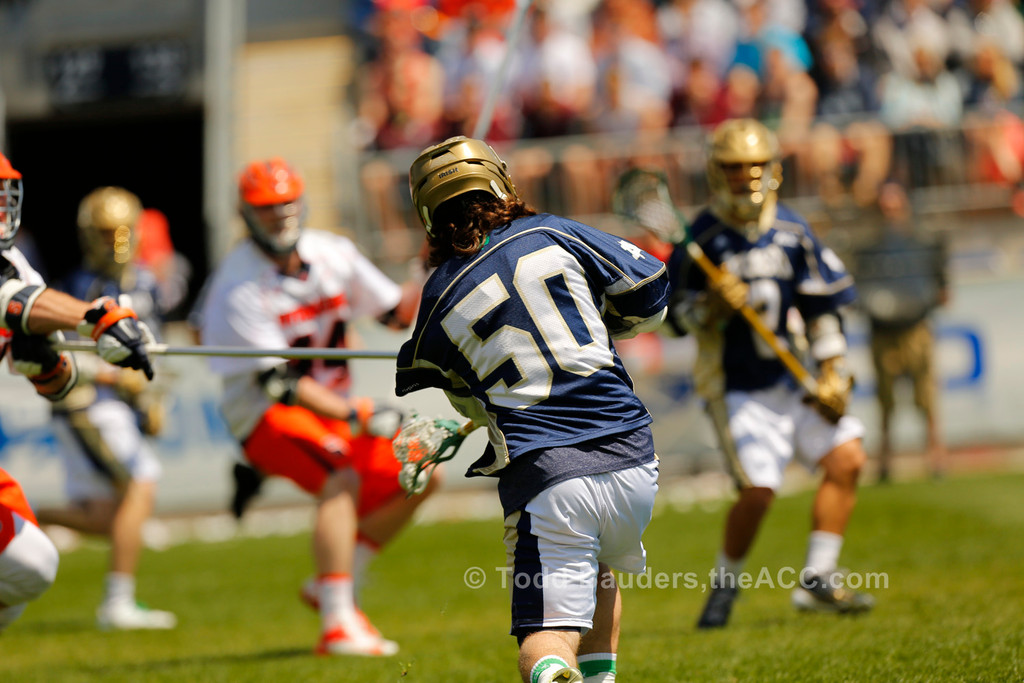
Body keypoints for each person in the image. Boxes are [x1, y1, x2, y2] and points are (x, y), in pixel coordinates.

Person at [396, 136, 669, 683]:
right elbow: (650, 290)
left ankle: (551, 673)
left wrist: (455, 423)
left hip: (549, 476)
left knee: (544, 640)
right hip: (636, 460)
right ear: (500, 182)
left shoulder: (437, 299)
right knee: (599, 571)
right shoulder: (550, 232)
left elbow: (471, 397)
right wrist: (595, 316)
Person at [199, 157, 436, 657]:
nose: (278, 215)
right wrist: (355, 415)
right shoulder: (237, 284)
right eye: (265, 208)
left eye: (285, 204)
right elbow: (279, 385)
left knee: (421, 474)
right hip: (263, 414)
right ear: (245, 214)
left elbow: (397, 316)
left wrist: (428, 270)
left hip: (331, 406)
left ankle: (339, 580)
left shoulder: (333, 253)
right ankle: (336, 624)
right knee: (340, 479)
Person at [664, 118, 874, 629]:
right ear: (718, 172)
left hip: (792, 377)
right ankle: (726, 585)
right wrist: (710, 306)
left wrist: (833, 372)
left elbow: (822, 307)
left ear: (772, 168)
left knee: (847, 458)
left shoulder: (793, 230)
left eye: (754, 166)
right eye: (734, 168)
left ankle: (818, 579)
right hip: (736, 387)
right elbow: (670, 321)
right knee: (759, 491)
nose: (745, 178)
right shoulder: (700, 238)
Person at [0, 151, 155, 633]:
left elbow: (56, 377)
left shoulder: (15, 262)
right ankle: (119, 600)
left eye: (4, 199)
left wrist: (47, 365)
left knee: (30, 566)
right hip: (90, 410)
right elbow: (15, 303)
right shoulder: (52, 285)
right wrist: (96, 318)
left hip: (95, 403)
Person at [34, 187, 176, 631]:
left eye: (122, 232)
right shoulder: (78, 288)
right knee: (142, 482)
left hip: (120, 406)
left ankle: (22, 515)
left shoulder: (146, 283)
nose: (115, 243)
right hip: (88, 403)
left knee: (106, 516)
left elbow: (156, 347)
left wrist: (152, 396)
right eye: (104, 233)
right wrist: (116, 376)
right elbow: (59, 354)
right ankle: (118, 601)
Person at [852, 182, 949, 482]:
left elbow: (940, 284)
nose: (891, 211)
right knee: (885, 399)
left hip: (916, 328)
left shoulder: (921, 238)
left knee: (927, 396)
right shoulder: (868, 244)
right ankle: (885, 460)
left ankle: (935, 456)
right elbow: (858, 288)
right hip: (882, 331)